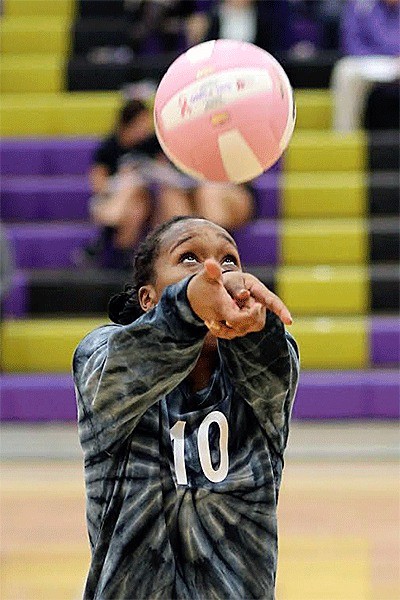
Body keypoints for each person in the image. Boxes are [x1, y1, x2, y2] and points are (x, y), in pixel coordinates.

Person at [73, 215, 300, 599]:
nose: (215, 276)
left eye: (229, 261)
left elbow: (271, 359)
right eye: (190, 258)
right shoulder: (102, 355)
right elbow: (119, 371)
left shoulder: (267, 365)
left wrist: (253, 326)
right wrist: (188, 306)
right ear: (148, 298)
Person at [83, 98, 254, 269]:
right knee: (139, 200)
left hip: (205, 196)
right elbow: (99, 184)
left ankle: (104, 240)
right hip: (119, 198)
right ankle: (126, 254)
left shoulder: (154, 143)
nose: (145, 128)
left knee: (192, 194)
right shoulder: (110, 147)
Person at [331, 0, 400, 132]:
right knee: (345, 71)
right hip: (370, 62)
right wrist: (387, 59)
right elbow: (351, 43)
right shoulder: (360, 4)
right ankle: (345, 140)